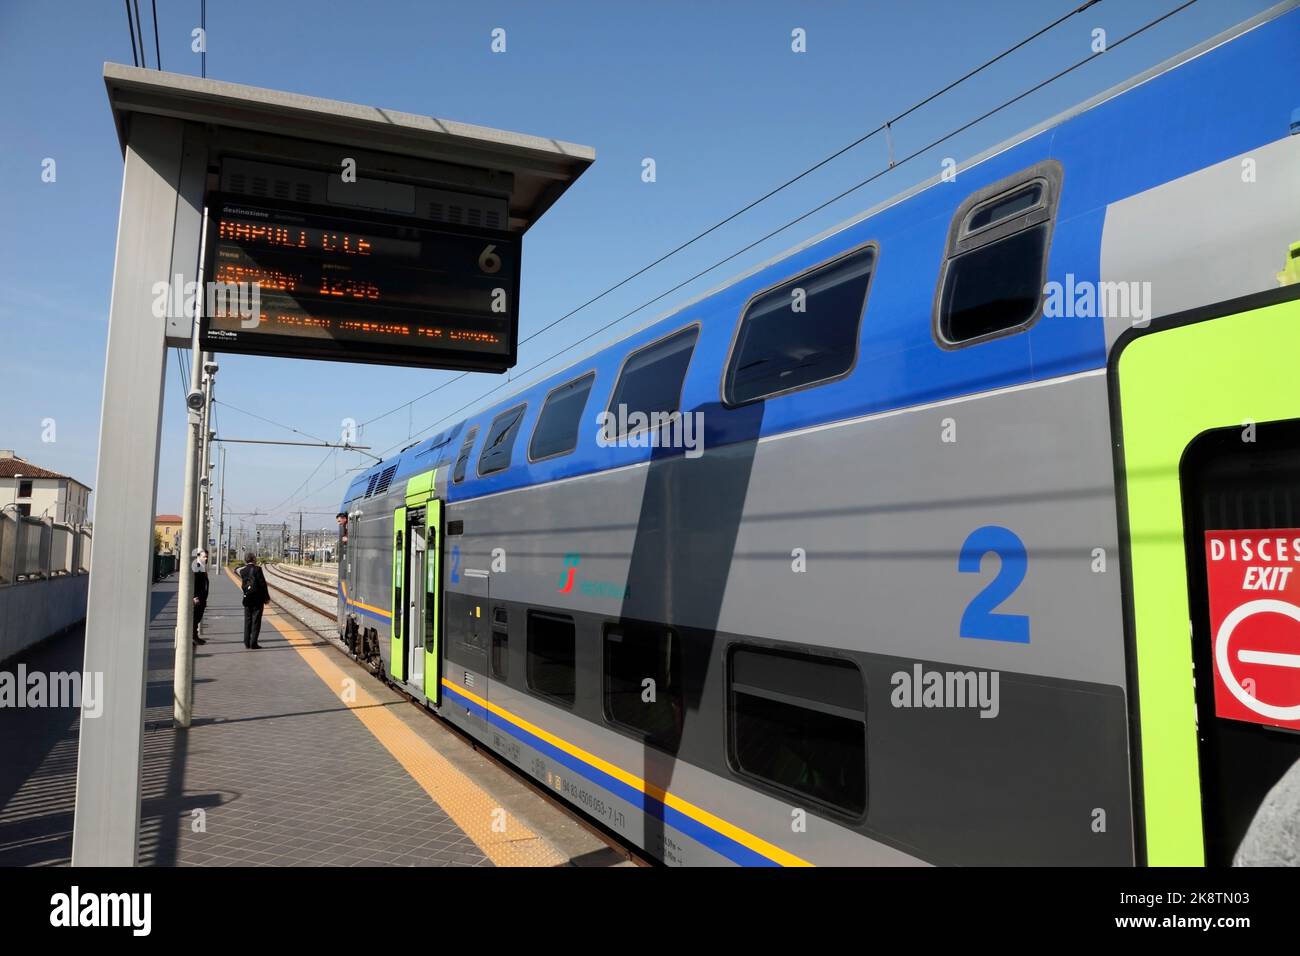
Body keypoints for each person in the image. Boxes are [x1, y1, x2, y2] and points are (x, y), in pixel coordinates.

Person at [237, 552, 270, 649]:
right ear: (253, 559)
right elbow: (262, 584)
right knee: (256, 621)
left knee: (248, 620)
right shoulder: (258, 569)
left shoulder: (243, 571)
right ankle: (253, 643)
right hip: (257, 599)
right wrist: (266, 598)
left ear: (246, 560)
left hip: (247, 598)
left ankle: (246, 642)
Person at [191, 548, 209, 646]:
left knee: (197, 618)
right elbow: (194, 583)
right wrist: (194, 597)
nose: (206, 558)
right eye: (204, 556)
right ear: (199, 556)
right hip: (197, 598)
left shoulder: (202, 566)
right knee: (195, 618)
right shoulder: (196, 566)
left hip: (202, 598)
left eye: (207, 557)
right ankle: (192, 637)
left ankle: (195, 636)